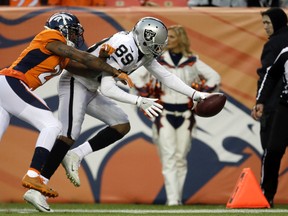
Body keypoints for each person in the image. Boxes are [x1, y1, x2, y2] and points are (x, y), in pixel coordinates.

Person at [24, 16, 211, 212]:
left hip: (91, 86)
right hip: (76, 82)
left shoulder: (141, 49)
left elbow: (165, 75)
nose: (158, 49)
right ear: (145, 39)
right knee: (70, 133)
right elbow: (108, 88)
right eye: (156, 44)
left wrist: (195, 94)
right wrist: (138, 101)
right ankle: (37, 186)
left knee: (121, 124)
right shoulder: (127, 48)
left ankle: (76, 155)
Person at [0, 11, 132, 212]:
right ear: (61, 29)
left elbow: (88, 69)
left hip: (7, 88)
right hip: (11, 81)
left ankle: (35, 176)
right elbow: (78, 55)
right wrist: (115, 71)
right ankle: (34, 175)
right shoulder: (49, 36)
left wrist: (104, 59)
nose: (75, 36)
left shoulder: (61, 57)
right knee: (52, 125)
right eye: (72, 31)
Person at [132, 25, 221, 206]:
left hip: (186, 114)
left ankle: (177, 199)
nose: (167, 40)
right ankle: (173, 200)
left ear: (180, 39)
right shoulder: (157, 60)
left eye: (171, 37)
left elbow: (215, 78)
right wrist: (147, 97)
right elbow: (135, 77)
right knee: (169, 156)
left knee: (180, 157)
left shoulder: (192, 60)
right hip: (164, 113)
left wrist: (201, 98)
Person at [251, 7, 288, 207]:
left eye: (267, 23)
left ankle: (267, 196)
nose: (264, 27)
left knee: (272, 151)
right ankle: (266, 195)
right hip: (282, 104)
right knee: (272, 151)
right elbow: (271, 74)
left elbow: (266, 75)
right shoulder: (283, 49)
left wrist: (261, 101)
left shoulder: (275, 45)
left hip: (277, 107)